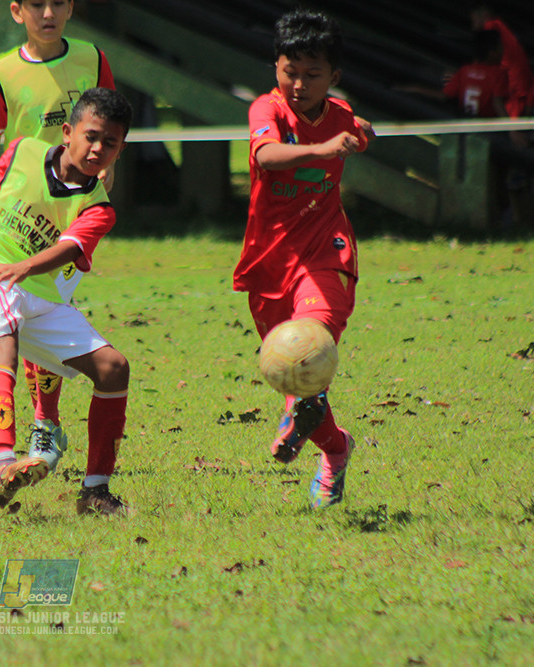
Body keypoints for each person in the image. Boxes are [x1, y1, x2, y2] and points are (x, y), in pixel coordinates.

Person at [0, 87, 132, 516]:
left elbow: (69, 249)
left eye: (111, 142)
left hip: (36, 289)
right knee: (4, 346)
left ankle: (96, 491)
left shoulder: (99, 207)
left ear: (121, 149)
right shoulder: (24, 150)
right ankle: (1, 464)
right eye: (92, 136)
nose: (98, 148)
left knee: (113, 368)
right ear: (68, 133)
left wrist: (27, 268)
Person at [233, 9, 373, 508]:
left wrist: (357, 134)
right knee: (295, 372)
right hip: (271, 258)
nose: (298, 83)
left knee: (311, 343)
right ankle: (335, 450)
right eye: (289, 70)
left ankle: (298, 413)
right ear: (275, 67)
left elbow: (354, 128)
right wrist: (328, 148)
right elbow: (267, 156)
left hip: (326, 249)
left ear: (333, 77)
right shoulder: (265, 111)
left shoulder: (341, 115)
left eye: (312, 74)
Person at [0, 0, 116, 475]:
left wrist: (104, 173)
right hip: (21, 220)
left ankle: (44, 421)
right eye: (37, 4)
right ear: (17, 12)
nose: (48, 12)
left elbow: (111, 123)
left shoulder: (93, 59)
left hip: (74, 212)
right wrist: (5, 182)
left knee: (50, 308)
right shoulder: (3, 71)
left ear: (71, 8)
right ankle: (46, 422)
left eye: (58, 3)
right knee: (22, 318)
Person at [470, 4, 532, 118]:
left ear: (485, 16)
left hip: (515, 85)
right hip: (515, 82)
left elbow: (484, 56)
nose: (473, 26)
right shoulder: (499, 26)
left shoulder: (491, 25)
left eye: (474, 20)